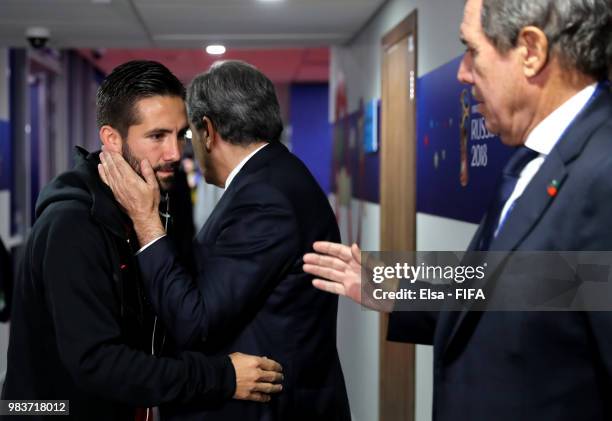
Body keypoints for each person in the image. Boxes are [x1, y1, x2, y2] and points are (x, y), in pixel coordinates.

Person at [303, 0, 612, 420]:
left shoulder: (602, 172)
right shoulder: (530, 161)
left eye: (472, 50)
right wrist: (394, 289)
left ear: (531, 51)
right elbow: (521, 291)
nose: (462, 72)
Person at [1, 60, 283, 421]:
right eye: (156, 136)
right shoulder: (71, 227)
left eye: (179, 135)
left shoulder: (149, 201)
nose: (174, 154)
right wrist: (221, 376)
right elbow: (98, 363)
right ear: (111, 139)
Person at [98, 60, 351, 421]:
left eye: (185, 135)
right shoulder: (276, 177)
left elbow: (195, 323)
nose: (176, 151)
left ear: (208, 131)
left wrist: (146, 223)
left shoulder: (265, 197)